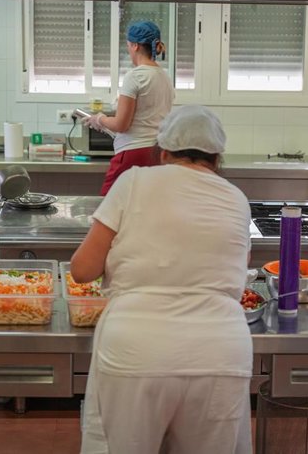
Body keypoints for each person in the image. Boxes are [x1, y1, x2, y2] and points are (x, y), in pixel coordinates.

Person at [71, 105, 253, 454]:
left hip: (137, 349)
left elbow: (82, 270)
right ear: (216, 158)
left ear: (164, 151)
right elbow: (235, 268)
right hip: (220, 352)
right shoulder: (236, 198)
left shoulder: (135, 180)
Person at [83, 20, 175, 196]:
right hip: (158, 153)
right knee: (144, 208)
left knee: (108, 207)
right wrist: (106, 125)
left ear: (134, 46)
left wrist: (99, 119)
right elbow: (144, 120)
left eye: (128, 45)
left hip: (133, 154)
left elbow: (121, 125)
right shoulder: (165, 78)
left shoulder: (135, 76)